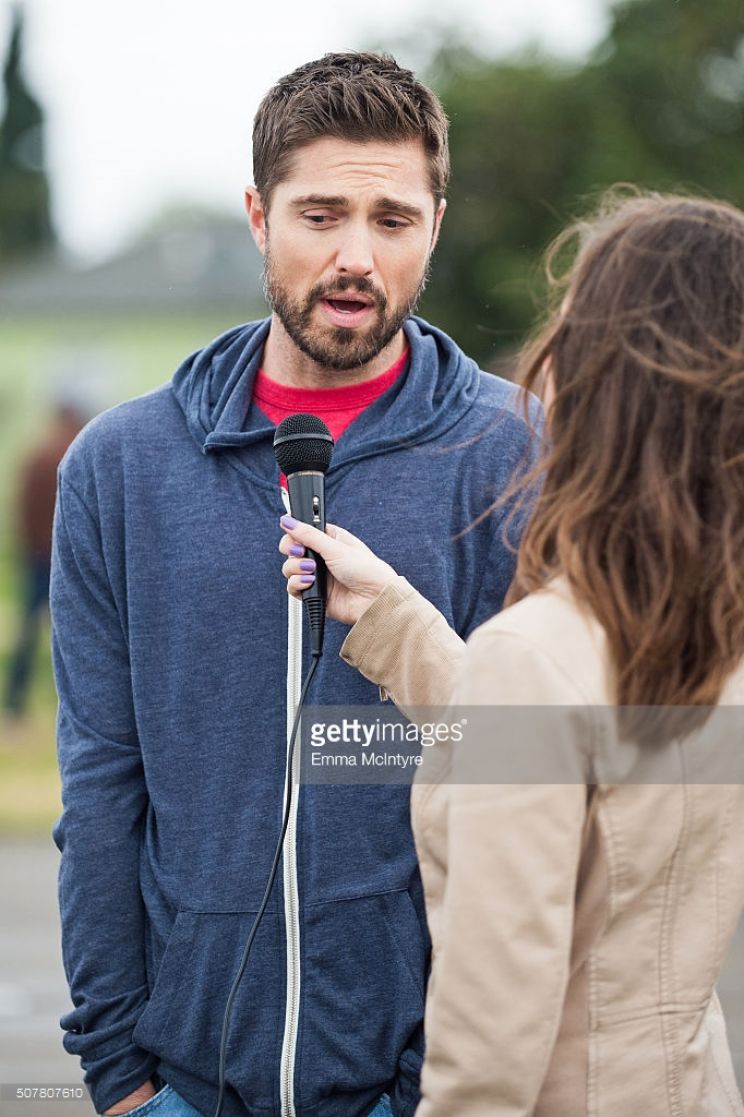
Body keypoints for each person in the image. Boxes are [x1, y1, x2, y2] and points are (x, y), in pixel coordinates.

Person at [50, 53, 537, 1117]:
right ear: (258, 216)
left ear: (436, 226)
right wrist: (119, 1076)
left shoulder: (519, 455)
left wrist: (447, 1081)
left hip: (427, 1087)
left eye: (392, 219)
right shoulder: (122, 468)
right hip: (175, 1085)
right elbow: (99, 788)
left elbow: (549, 771)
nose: (355, 255)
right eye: (320, 214)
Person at [279, 191, 744, 1115]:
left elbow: (490, 1048)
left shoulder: (543, 651)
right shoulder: (710, 628)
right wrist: (397, 621)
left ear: (607, 379)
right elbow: (590, 770)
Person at [2, 399, 86, 721]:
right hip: (67, 560)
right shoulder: (77, 453)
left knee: (28, 631)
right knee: (78, 638)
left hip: (38, 558)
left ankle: (14, 701)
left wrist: (29, 550)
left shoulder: (36, 455)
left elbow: (21, 509)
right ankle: (75, 706)